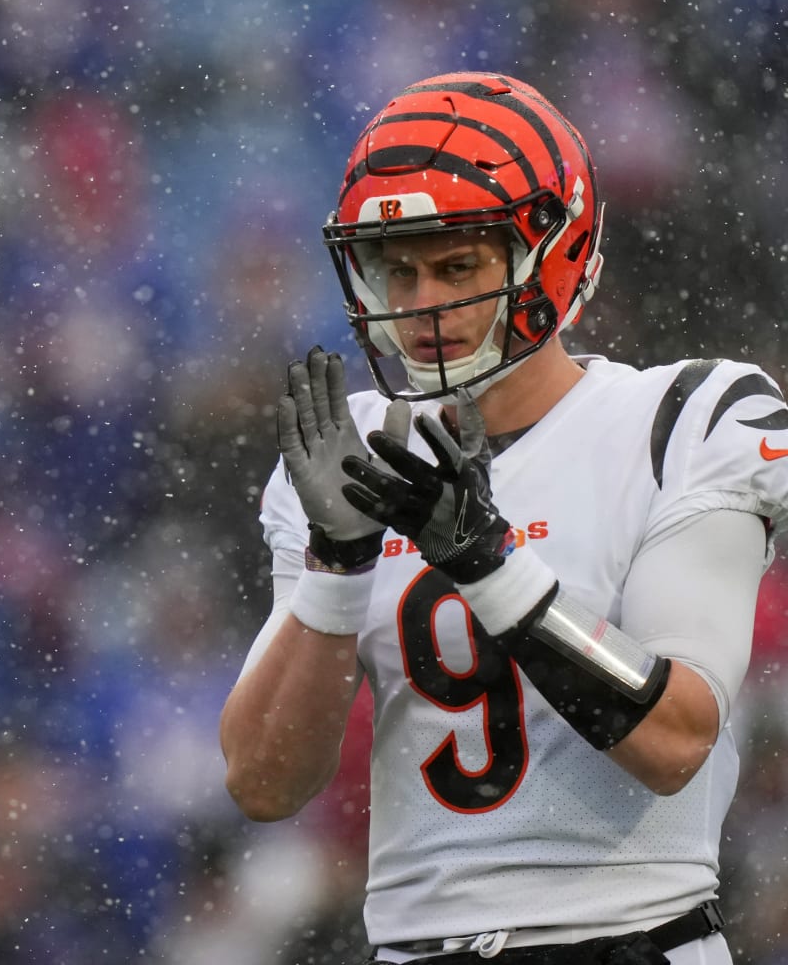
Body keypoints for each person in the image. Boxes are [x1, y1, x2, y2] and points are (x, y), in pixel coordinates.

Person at [219, 71, 788, 964]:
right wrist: (336, 566)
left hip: (632, 938)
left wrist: (484, 560)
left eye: (456, 266)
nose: (419, 305)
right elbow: (261, 783)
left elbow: (676, 738)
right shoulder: (356, 444)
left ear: (550, 254)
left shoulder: (680, 420)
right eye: (394, 270)